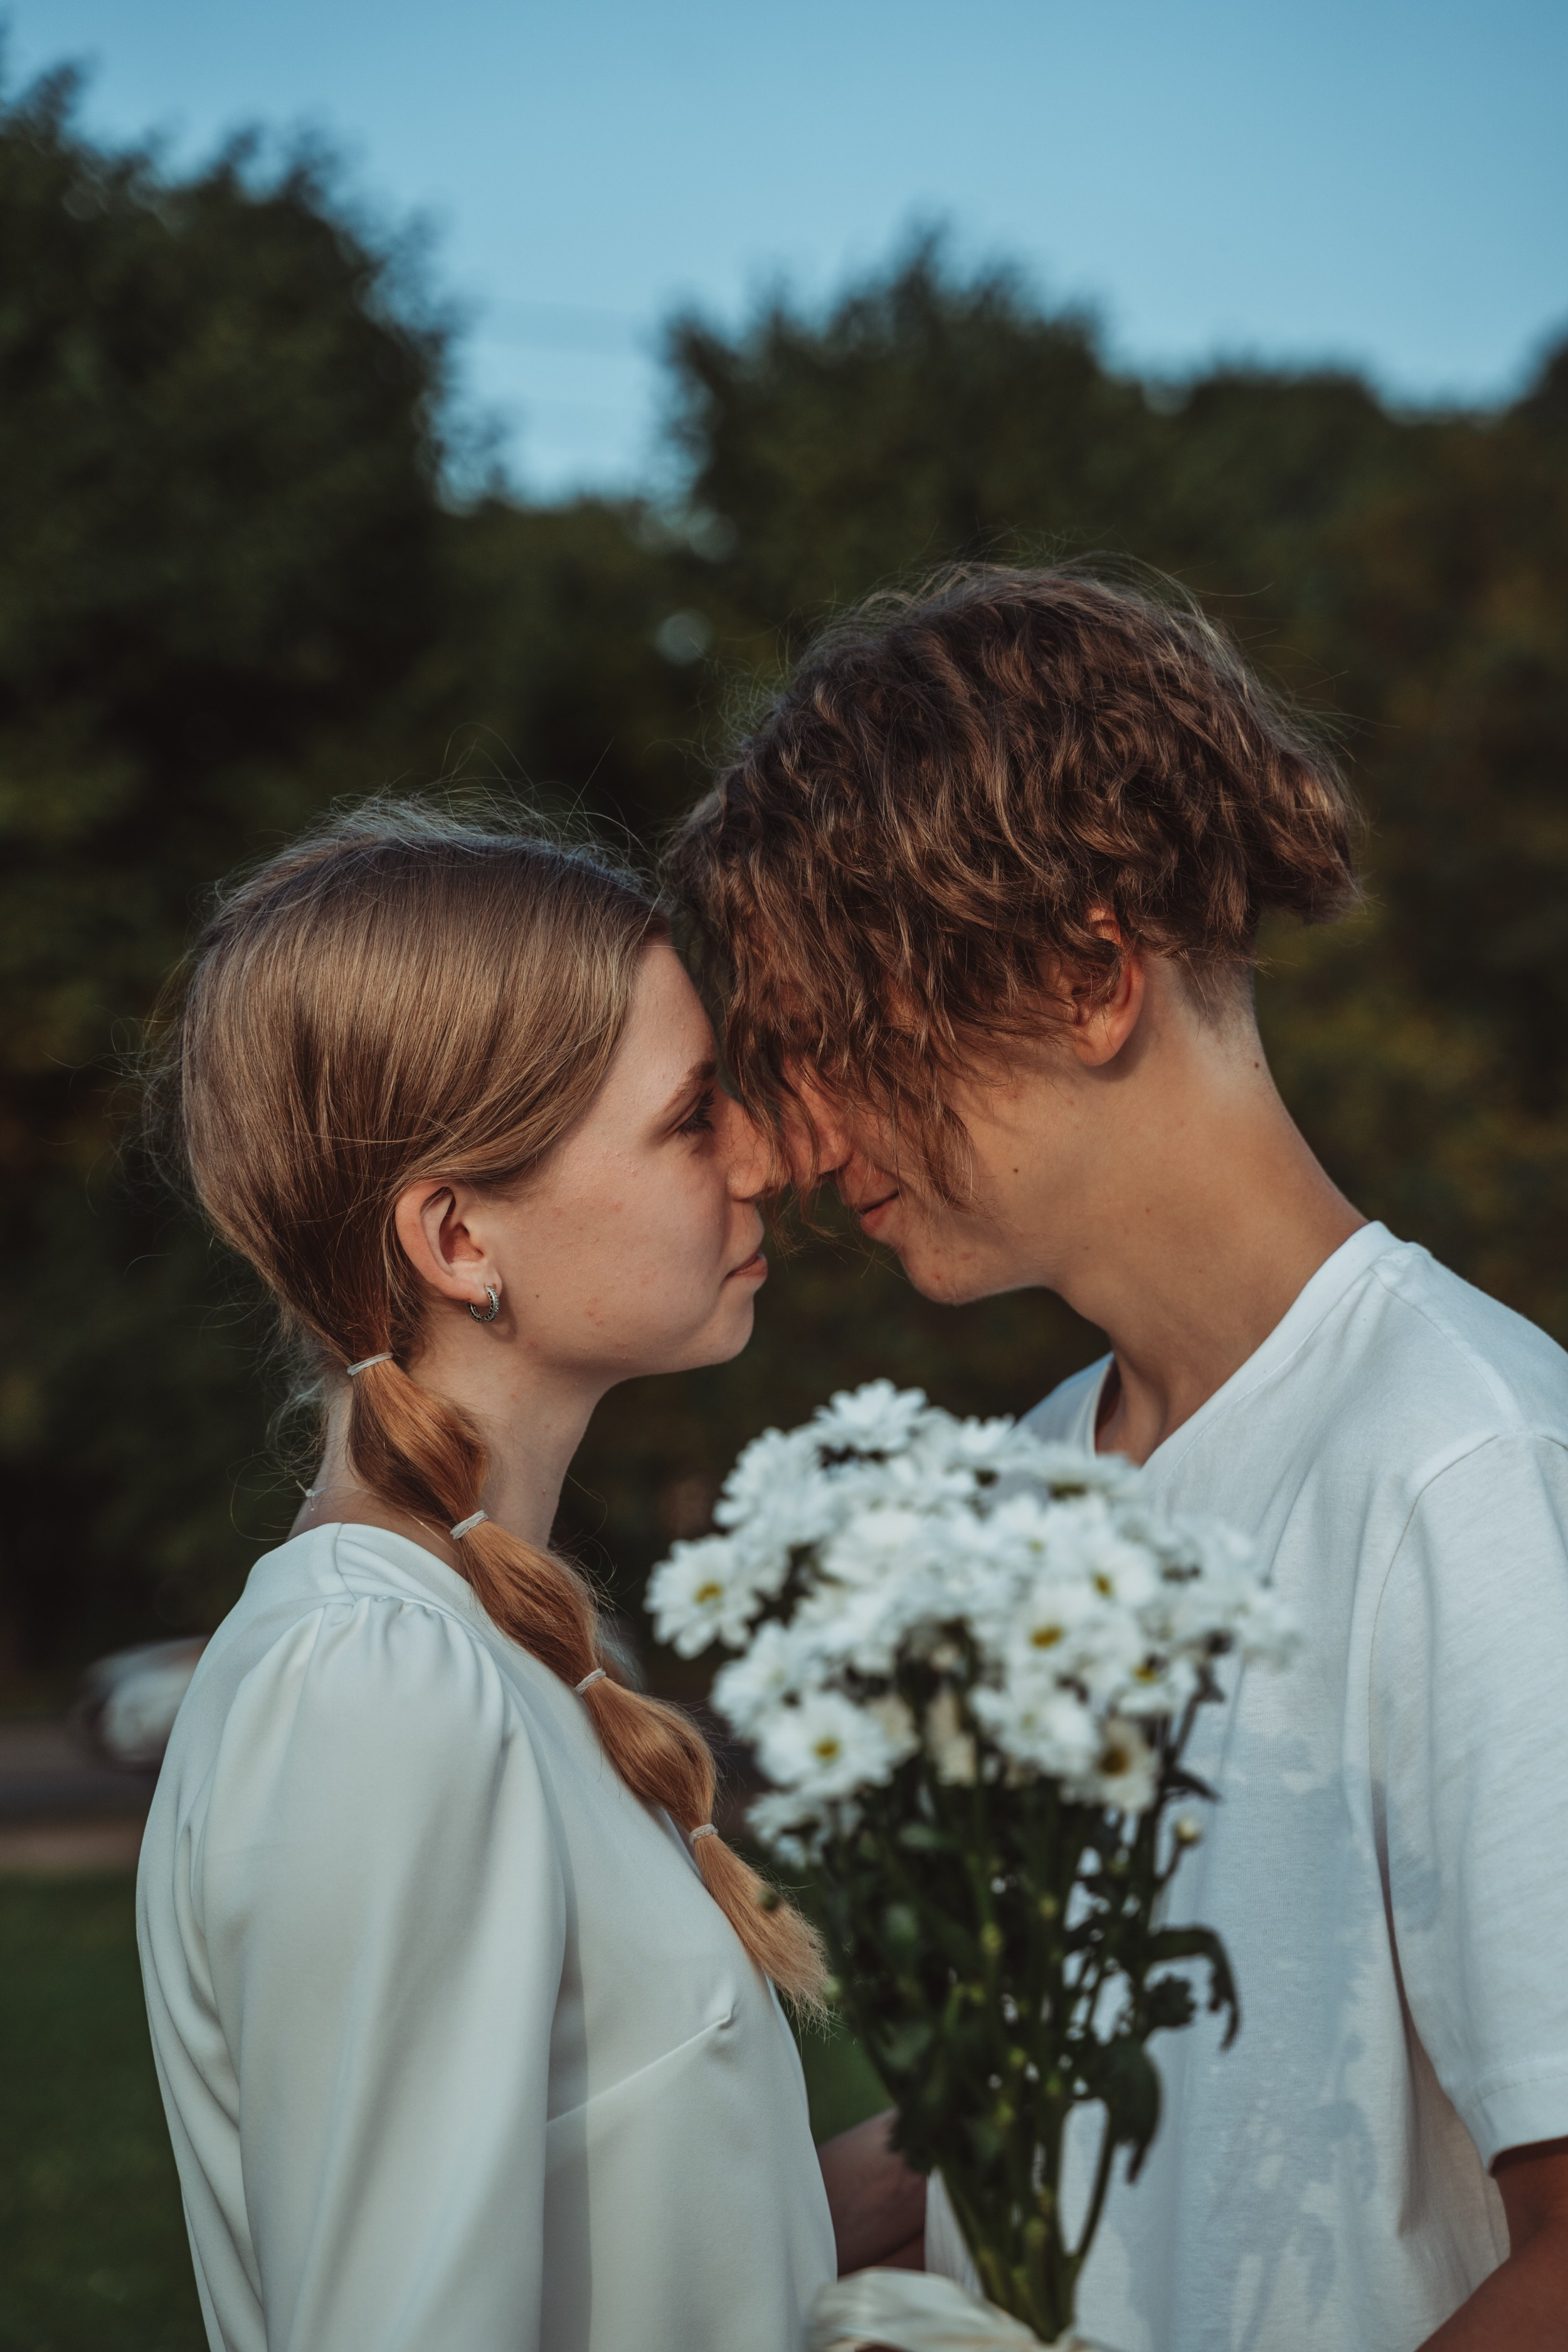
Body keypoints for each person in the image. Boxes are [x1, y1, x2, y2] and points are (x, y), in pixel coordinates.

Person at [669, 567, 1568, 2352]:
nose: (792, 1143)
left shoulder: (1461, 1468)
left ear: (1085, 977)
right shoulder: (1021, 1496)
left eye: (832, 1040)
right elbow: (1069, 2121)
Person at [135, 801, 913, 2352]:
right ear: (456, 1237)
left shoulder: (496, 1641)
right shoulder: (372, 1689)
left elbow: (646, 2264)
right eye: (690, 1118)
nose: (765, 1157)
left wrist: (999, 2124)